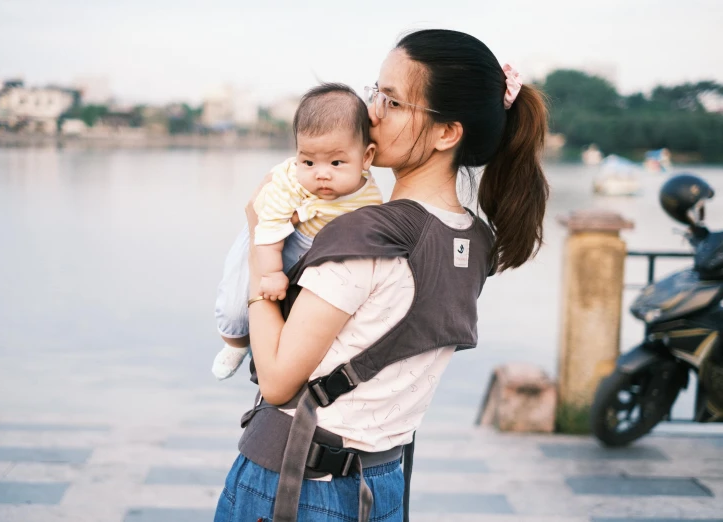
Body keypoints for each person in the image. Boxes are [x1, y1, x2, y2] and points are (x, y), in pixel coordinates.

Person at [214, 29, 549, 522]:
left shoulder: (369, 234)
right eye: (376, 91)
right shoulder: (474, 241)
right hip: (383, 485)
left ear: (446, 133)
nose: (370, 112)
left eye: (392, 102)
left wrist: (260, 246)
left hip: (296, 487)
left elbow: (280, 380)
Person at [212, 83, 382, 380]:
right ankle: (236, 343)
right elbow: (267, 228)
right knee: (235, 303)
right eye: (308, 161)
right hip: (271, 237)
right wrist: (272, 272)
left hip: (314, 250)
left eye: (337, 162)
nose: (321, 173)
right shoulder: (289, 183)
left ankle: (266, 346)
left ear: (366, 158)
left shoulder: (369, 198)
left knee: (288, 309)